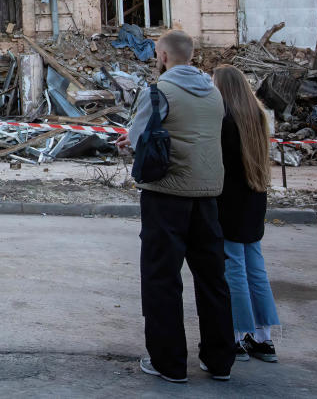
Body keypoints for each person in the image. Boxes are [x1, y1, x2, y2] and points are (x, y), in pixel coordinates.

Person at [117, 30, 235, 383]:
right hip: (208, 195)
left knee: (162, 279)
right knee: (213, 279)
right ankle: (220, 361)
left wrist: (128, 143)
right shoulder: (214, 93)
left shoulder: (158, 92)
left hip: (166, 195)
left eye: (157, 54)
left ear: (164, 56)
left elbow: (139, 138)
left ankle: (168, 363)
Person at [213, 64, 280, 364]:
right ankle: (264, 338)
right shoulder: (258, 116)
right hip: (255, 195)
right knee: (256, 269)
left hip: (229, 200)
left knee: (234, 270)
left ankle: (237, 335)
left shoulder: (225, 119)